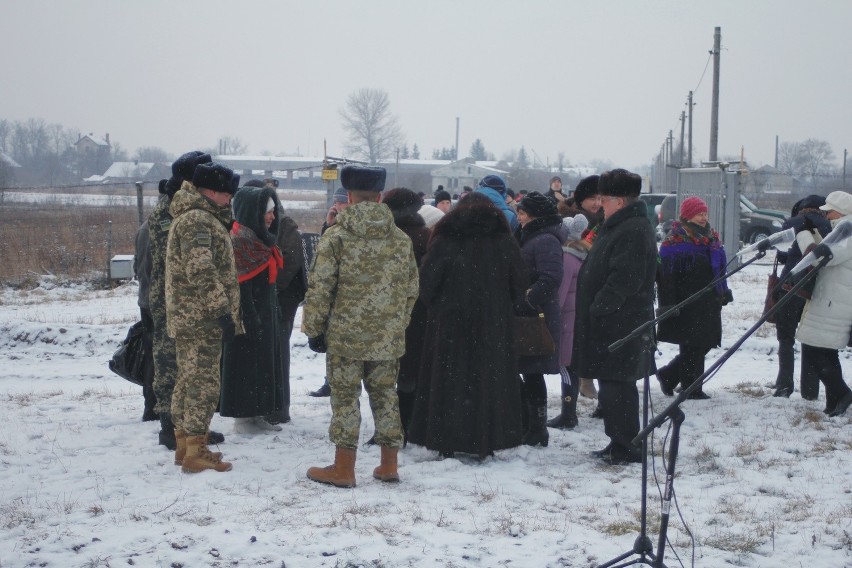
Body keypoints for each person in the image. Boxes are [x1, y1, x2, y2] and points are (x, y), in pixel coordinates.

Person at [302, 165, 419, 488]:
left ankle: (343, 467)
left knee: (344, 398)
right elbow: (412, 288)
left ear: (349, 197)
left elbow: (321, 286)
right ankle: (388, 464)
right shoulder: (399, 239)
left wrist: (314, 328)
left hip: (345, 338)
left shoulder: (337, 237)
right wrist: (397, 323)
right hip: (387, 338)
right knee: (385, 396)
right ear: (379, 196)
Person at [408, 192, 528, 459]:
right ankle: (486, 441)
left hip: (450, 325)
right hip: (493, 325)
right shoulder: (504, 242)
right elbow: (519, 285)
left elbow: (427, 286)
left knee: (448, 382)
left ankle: (445, 441)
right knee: (488, 382)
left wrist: (442, 304)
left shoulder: (445, 239)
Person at [572, 169, 657, 465]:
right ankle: (618, 441)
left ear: (619, 201)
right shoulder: (619, 224)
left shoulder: (632, 229)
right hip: (612, 322)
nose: (599, 204)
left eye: (604, 199)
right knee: (612, 385)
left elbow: (625, 278)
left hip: (621, 323)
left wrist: (600, 306)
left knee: (618, 385)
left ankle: (627, 446)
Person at [166, 162, 244, 473]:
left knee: (187, 379)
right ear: (210, 192)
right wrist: (221, 310)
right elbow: (201, 269)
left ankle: (185, 446)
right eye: (227, 194)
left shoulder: (196, 217)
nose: (229, 200)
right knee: (202, 383)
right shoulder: (198, 220)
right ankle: (196, 451)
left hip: (192, 316)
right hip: (201, 318)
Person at [148, 151, 225, 451]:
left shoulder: (185, 206)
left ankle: (190, 429)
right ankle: (171, 428)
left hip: (185, 298)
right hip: (173, 298)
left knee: (191, 366)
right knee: (171, 363)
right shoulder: (172, 210)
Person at [220, 185, 287, 434]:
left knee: (263, 364)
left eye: (273, 211)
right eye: (267, 212)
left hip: (265, 314)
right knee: (246, 366)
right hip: (248, 317)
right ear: (252, 212)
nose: (272, 217)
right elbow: (240, 287)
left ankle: (258, 412)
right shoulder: (239, 243)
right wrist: (249, 317)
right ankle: (243, 417)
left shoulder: (262, 241)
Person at [656, 196, 734, 400]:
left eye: (705, 213)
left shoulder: (710, 238)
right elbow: (665, 275)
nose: (703, 217)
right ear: (688, 215)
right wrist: (669, 304)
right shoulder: (675, 240)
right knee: (693, 344)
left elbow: (719, 267)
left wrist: (722, 290)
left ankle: (669, 375)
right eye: (699, 214)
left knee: (704, 342)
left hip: (708, 300)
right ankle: (692, 387)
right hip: (688, 301)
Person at [377, 188, 431, 444]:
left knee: (383, 373)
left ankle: (389, 428)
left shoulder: (383, 236)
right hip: (416, 314)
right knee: (410, 372)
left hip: (381, 312)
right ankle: (409, 425)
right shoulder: (425, 236)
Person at [795, 191, 852, 417]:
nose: (826, 214)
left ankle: (843, 393)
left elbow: (822, 258)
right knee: (825, 351)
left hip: (834, 302)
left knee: (815, 350)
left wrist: (804, 236)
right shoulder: (843, 229)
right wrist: (816, 235)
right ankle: (835, 400)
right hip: (832, 299)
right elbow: (829, 252)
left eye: (830, 210)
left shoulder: (847, 231)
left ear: (842, 210)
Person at [514, 191, 564, 447]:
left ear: (533, 215)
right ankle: (530, 426)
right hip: (529, 314)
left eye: (522, 212)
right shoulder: (531, 236)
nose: (518, 216)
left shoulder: (544, 239)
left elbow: (551, 277)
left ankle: (537, 429)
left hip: (536, 317)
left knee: (533, 372)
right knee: (528, 371)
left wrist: (527, 301)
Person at [771, 195, 831, 399]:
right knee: (809, 338)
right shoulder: (830, 225)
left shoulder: (794, 223)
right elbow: (812, 255)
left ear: (802, 209)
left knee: (786, 338)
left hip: (790, 285)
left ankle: (784, 384)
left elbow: (789, 247)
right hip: (815, 288)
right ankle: (810, 388)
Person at [558, 175, 603, 404]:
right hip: (575, 294)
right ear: (580, 200)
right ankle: (583, 382)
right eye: (592, 198)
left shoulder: (603, 221)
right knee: (574, 348)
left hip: (592, 290)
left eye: (600, 198)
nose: (597, 203)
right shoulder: (568, 223)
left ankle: (588, 378)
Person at [309, 185, 353, 398]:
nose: (338, 205)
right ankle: (330, 380)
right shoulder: (334, 228)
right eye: (336, 202)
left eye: (342, 201)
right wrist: (328, 226)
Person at [547, 214, 589, 430]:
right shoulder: (582, 253)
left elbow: (560, 295)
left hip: (567, 322)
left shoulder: (566, 257)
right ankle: (568, 412)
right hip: (578, 319)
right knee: (571, 367)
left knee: (566, 366)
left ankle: (568, 414)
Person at [133, 200, 157, 422]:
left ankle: (151, 406)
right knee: (163, 357)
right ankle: (156, 408)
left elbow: (137, 265)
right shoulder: (163, 227)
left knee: (151, 355)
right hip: (158, 301)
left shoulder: (144, 227)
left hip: (145, 298)